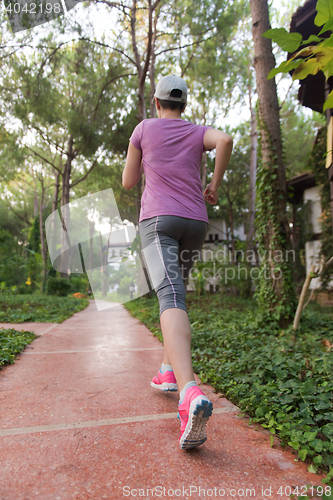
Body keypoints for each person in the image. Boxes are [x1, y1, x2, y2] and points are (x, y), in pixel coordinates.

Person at [122, 75, 233, 449]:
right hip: (195, 221)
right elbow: (226, 140)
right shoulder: (198, 131)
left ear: (156, 103)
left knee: (169, 295)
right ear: (183, 104)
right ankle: (167, 371)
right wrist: (213, 186)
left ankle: (188, 393)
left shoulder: (143, 129)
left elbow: (127, 181)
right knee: (176, 294)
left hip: (159, 221)